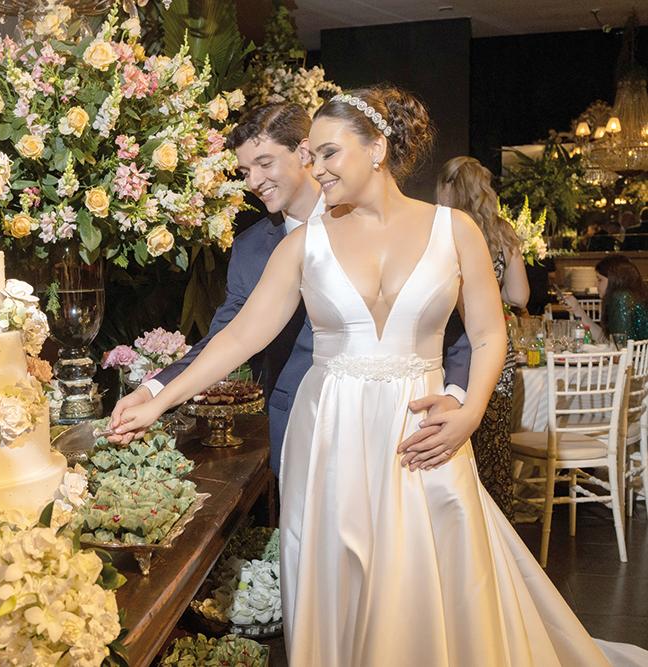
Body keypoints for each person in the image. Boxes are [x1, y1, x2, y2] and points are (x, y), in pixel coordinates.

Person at [113, 86, 648, 666]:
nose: (314, 169)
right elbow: (240, 336)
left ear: (377, 149)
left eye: (327, 153)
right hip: (330, 433)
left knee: (432, 575)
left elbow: (491, 335)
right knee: (341, 577)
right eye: (310, 156)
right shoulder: (302, 246)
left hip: (423, 430)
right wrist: (157, 395)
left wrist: (467, 411)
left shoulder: (456, 230)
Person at [110, 102, 474, 479]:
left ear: (303, 152)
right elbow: (231, 336)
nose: (253, 181)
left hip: (410, 420)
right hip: (305, 423)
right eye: (245, 171)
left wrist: (458, 398)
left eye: (264, 163)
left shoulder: (403, 222)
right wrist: (155, 393)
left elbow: (456, 326)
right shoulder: (252, 248)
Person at [436, 156, 529, 519]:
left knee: (453, 447)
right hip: (496, 353)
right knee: (492, 445)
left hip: (452, 350)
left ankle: (457, 524)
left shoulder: (441, 229)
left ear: (447, 186)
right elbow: (519, 297)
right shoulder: (501, 232)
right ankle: (496, 528)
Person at [563, 254, 648, 342]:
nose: (595, 284)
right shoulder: (631, 295)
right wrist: (577, 309)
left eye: (600, 280)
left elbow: (620, 347)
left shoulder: (621, 298)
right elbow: (606, 340)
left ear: (614, 280)